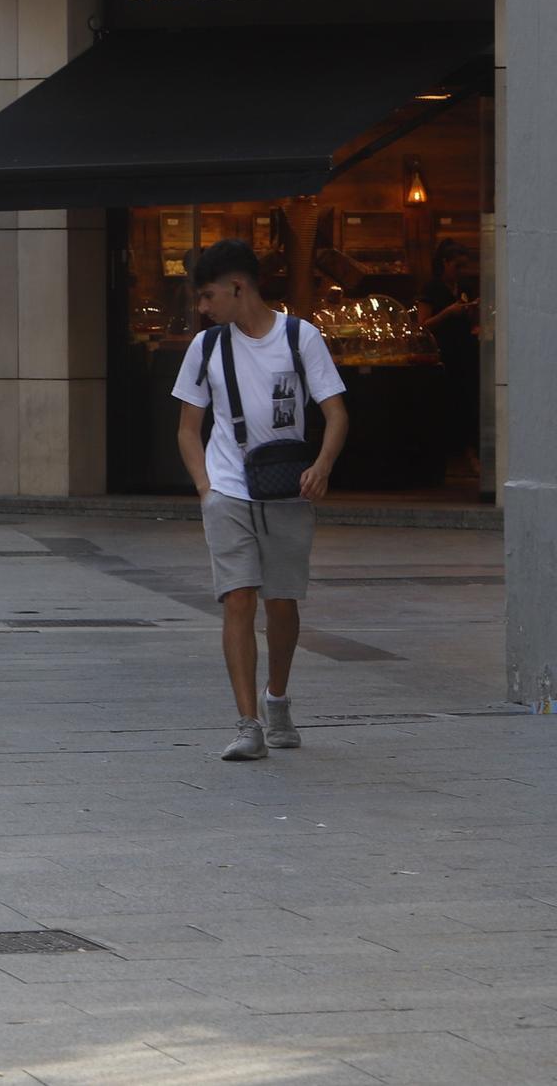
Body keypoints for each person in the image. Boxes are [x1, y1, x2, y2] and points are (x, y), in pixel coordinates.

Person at [173, 238, 350, 763]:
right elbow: (187, 429)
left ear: (237, 287)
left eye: (207, 297)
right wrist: (206, 489)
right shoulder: (205, 348)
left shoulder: (300, 337)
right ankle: (246, 723)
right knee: (238, 598)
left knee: (282, 602)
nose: (202, 309)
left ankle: (277, 701)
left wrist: (322, 466)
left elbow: (337, 413)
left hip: (287, 488)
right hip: (228, 489)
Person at [417, 240, 480, 474]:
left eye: (464, 267)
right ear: (444, 263)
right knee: (446, 404)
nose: (460, 272)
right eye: (457, 266)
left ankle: (469, 451)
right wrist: (447, 313)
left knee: (466, 401)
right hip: (443, 352)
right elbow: (422, 325)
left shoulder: (464, 287)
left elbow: (471, 322)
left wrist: (473, 311)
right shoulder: (432, 288)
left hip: (465, 351)